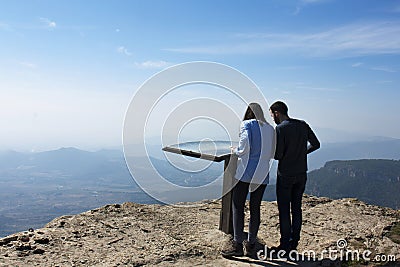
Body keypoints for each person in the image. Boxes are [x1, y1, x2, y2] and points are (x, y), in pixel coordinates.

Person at [221, 103, 275, 258]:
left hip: (245, 172)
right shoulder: (270, 129)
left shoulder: (246, 125)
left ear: (248, 113)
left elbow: (244, 148)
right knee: (255, 207)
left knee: (238, 205)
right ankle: (251, 244)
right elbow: (272, 151)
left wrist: (235, 150)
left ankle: (237, 244)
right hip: (262, 173)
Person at [269, 101, 320, 254]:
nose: (272, 118)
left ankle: (284, 245)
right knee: (296, 208)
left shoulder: (280, 129)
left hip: (285, 174)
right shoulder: (303, 124)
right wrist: (301, 153)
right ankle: (294, 242)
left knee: (284, 210)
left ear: (277, 112)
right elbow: (316, 144)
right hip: (301, 173)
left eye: (272, 114)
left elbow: (278, 155)